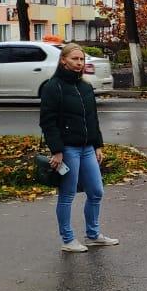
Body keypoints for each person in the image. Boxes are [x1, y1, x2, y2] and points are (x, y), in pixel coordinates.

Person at [39, 45, 118, 252]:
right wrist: (57, 150)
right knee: (67, 195)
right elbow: (48, 123)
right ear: (63, 60)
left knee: (96, 191)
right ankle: (68, 240)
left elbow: (92, 119)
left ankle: (93, 235)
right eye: (75, 59)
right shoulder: (52, 87)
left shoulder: (85, 86)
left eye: (81, 60)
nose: (79, 63)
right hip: (67, 149)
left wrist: (98, 145)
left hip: (87, 148)